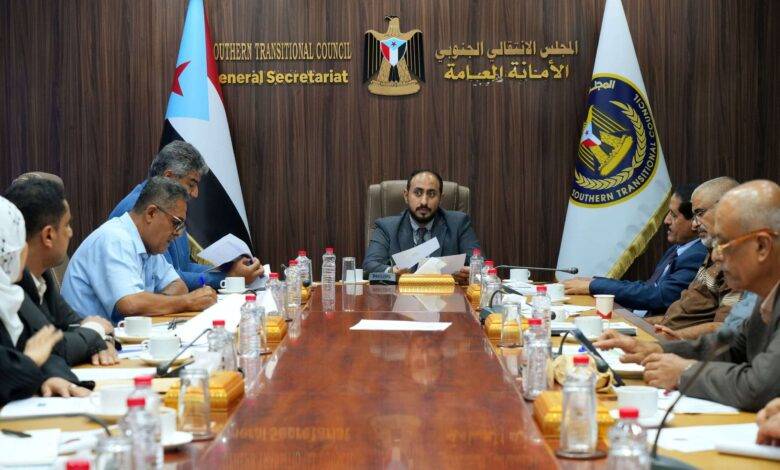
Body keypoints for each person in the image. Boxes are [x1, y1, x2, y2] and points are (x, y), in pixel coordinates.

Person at [594, 180, 780, 412]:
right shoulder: (766, 293)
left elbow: (759, 387)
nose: (716, 256)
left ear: (762, 246)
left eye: (723, 243)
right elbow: (730, 348)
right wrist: (655, 349)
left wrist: (684, 373)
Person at [109, 141, 262, 290]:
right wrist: (227, 279)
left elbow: (183, 267)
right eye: (191, 184)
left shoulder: (171, 209)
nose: (195, 194)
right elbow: (165, 280)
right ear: (168, 177)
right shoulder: (137, 208)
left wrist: (227, 271)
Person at [62, 177, 217, 324]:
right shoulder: (115, 238)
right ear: (151, 213)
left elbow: (179, 285)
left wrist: (152, 303)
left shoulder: (149, 243)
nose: (178, 233)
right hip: (89, 338)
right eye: (176, 223)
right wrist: (186, 302)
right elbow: (130, 305)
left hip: (121, 335)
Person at [5, 177, 119, 366]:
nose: (70, 232)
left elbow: (74, 324)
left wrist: (101, 339)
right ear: (48, 235)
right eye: (67, 225)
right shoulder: (11, 283)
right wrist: (95, 332)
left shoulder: (43, 275)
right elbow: (56, 348)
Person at [563, 184, 706, 316]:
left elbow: (659, 295)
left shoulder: (698, 255)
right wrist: (595, 282)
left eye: (674, 215)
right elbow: (648, 287)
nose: (666, 220)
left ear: (694, 221)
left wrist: (595, 286)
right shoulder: (678, 249)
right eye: (668, 213)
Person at [0, 196, 89, 405]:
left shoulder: (7, 295)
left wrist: (47, 378)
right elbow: (17, 364)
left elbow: (41, 349)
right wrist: (30, 363)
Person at [649, 177, 742, 340]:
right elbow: (681, 315)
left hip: (688, 348)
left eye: (699, 213)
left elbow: (726, 329)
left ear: (726, 208)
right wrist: (635, 325)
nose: (694, 224)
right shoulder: (712, 251)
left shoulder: (741, 260)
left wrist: (669, 339)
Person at [362, 170, 480, 284]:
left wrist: (470, 273)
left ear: (440, 198)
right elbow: (368, 270)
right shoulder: (387, 228)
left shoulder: (458, 223)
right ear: (406, 195)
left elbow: (480, 266)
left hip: (446, 295)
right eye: (418, 193)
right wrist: (391, 273)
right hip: (400, 296)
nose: (424, 202)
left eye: (431, 194)